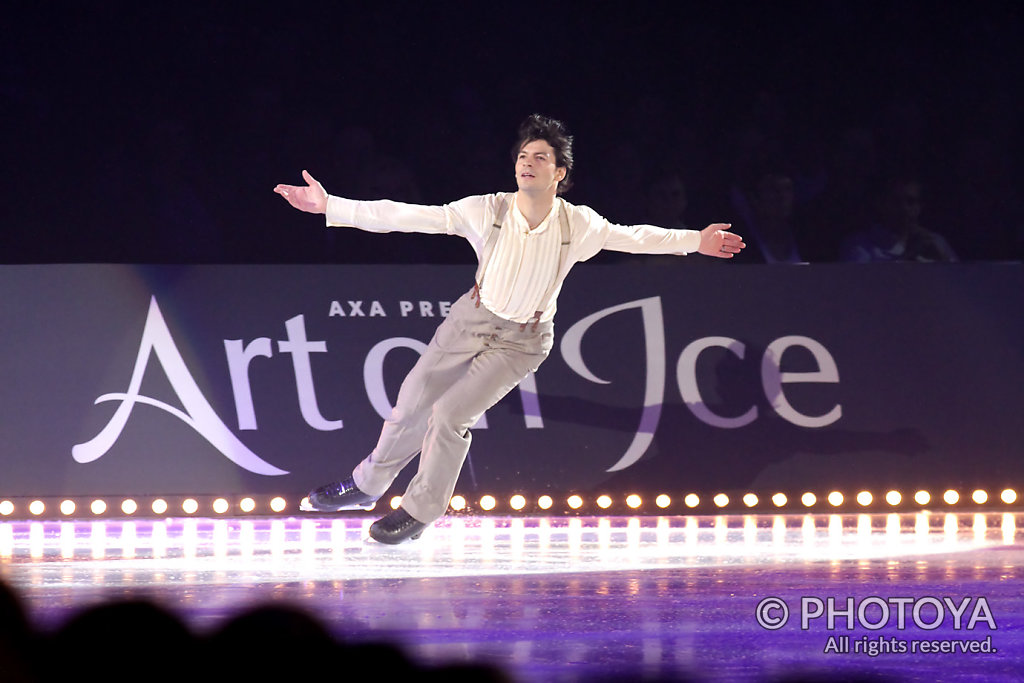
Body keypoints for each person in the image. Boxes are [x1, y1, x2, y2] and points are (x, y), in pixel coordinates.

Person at [273, 114, 745, 544]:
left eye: (541, 157)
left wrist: (695, 241)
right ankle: (365, 486)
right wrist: (332, 205)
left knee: (451, 414)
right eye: (523, 156)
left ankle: (419, 512)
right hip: (471, 319)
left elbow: (638, 236)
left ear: (560, 173)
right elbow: (411, 216)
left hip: (523, 341)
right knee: (414, 398)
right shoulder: (486, 210)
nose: (528, 163)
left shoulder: (579, 225)